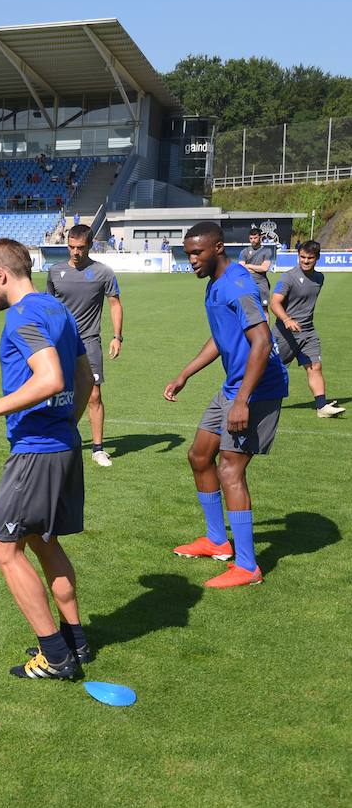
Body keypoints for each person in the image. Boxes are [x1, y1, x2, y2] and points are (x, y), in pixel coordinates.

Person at [0, 238, 92, 680]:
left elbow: (52, 377)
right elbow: (84, 377)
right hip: (64, 443)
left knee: (4, 550)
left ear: (1, 274)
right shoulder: (58, 310)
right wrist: (67, 422)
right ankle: (76, 642)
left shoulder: (22, 315)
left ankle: (55, 656)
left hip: (36, 450)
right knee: (42, 540)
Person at [165, 221, 288, 588]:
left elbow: (262, 342)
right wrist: (185, 373)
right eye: (188, 253)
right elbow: (223, 337)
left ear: (218, 247)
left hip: (257, 389)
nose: (191, 260)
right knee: (199, 456)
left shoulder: (237, 287)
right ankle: (218, 541)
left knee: (230, 470)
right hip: (234, 386)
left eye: (197, 253)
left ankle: (248, 567)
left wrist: (242, 401)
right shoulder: (216, 284)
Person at [45, 225, 124, 466]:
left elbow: (115, 305)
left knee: (94, 395)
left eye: (80, 248)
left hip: (89, 341)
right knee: (55, 392)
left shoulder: (103, 273)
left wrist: (117, 336)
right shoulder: (55, 271)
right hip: (61, 342)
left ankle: (98, 449)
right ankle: (56, 439)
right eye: (71, 247)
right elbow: (48, 307)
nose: (75, 252)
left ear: (90, 246)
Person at [270, 240, 344, 418]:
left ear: (317, 258)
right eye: (302, 257)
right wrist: (287, 319)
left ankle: (322, 407)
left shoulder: (320, 278)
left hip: (308, 332)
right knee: (269, 369)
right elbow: (274, 302)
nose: (305, 261)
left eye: (309, 258)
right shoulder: (288, 277)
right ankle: (244, 397)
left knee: (315, 366)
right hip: (285, 333)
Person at [238, 226, 274, 305]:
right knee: (248, 307)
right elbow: (241, 268)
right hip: (248, 282)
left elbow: (265, 268)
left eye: (255, 238)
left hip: (262, 283)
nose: (253, 240)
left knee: (264, 308)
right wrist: (258, 268)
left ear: (260, 237)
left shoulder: (267, 251)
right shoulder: (244, 251)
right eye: (251, 238)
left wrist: (248, 265)